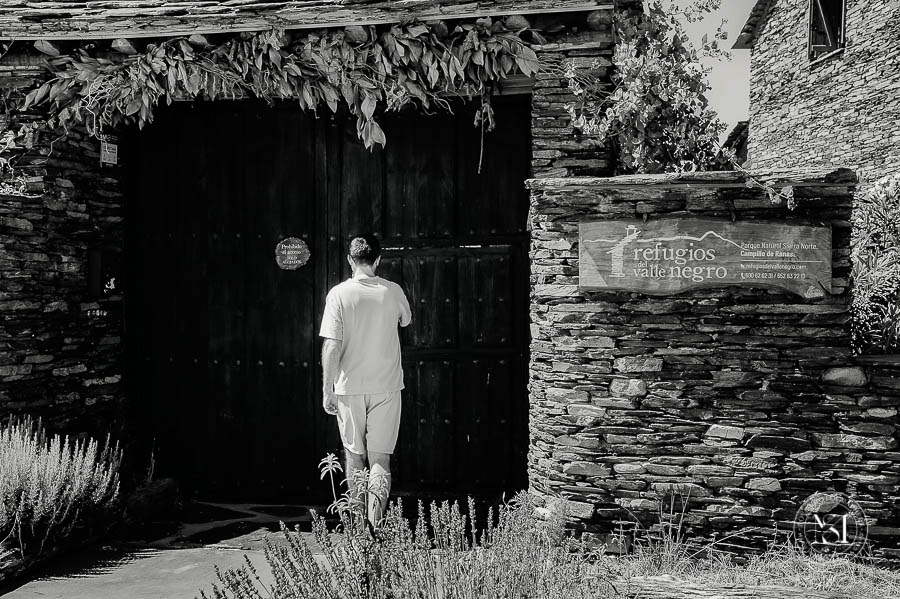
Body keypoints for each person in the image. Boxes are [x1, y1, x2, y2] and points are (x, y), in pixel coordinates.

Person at [319, 234, 412, 527]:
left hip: (349, 388)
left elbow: (331, 346)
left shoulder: (338, 294)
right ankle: (375, 526)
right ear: (378, 260)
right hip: (386, 386)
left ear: (350, 260)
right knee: (380, 460)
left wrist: (327, 390)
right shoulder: (393, 291)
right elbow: (406, 320)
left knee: (354, 457)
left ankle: (359, 530)